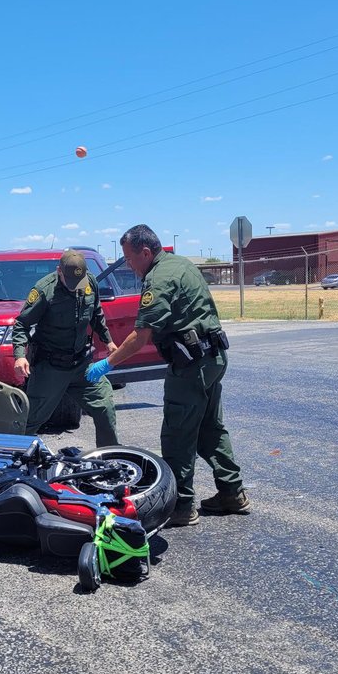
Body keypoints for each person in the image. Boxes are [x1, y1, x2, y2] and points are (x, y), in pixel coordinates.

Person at [86, 224, 248, 526]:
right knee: (210, 427)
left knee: (177, 434)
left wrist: (107, 364)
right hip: (212, 357)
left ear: (145, 252)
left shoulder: (158, 278)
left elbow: (140, 337)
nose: (129, 266)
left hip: (190, 367)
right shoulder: (181, 264)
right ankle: (231, 492)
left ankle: (181, 506)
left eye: (130, 259)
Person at [12, 249, 119, 447]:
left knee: (105, 407)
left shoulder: (90, 283)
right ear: (59, 271)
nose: (75, 288)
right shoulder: (45, 290)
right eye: (70, 282)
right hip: (51, 367)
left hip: (81, 365)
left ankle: (109, 457)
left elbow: (96, 314)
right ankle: (9, 457)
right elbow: (21, 325)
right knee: (31, 419)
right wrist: (20, 355)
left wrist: (109, 341)